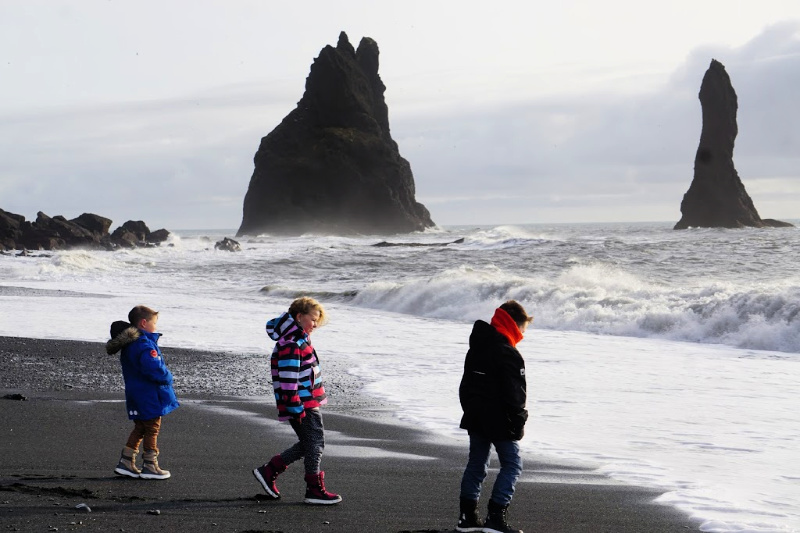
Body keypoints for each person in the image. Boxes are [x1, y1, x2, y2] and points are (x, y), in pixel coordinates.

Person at [252, 297, 341, 505]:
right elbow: (288, 379)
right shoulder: (291, 343)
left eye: (318, 320)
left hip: (306, 401)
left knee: (309, 443)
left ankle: (269, 470)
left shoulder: (299, 339)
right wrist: (295, 407)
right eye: (313, 319)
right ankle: (313, 489)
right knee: (315, 443)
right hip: (302, 404)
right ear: (300, 317)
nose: (316, 324)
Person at [456, 300, 532, 533]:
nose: (523, 333)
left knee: (477, 463)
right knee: (512, 464)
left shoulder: (478, 345)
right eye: (524, 328)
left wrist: (469, 409)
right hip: (500, 418)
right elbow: (515, 395)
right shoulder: (508, 352)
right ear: (516, 324)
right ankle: (495, 518)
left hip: (476, 414)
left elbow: (465, 385)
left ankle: (468, 519)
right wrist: (518, 423)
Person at [106, 305, 179, 480]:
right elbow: (153, 368)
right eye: (155, 323)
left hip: (137, 393)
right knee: (152, 428)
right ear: (144, 323)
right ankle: (150, 465)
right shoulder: (144, 344)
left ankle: (126, 461)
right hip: (148, 395)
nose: (156, 327)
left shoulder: (131, 344)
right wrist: (168, 377)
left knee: (141, 427)